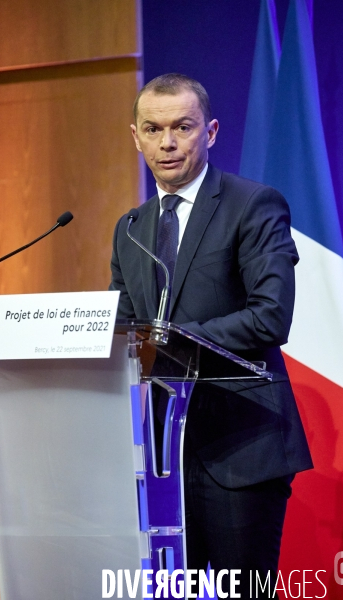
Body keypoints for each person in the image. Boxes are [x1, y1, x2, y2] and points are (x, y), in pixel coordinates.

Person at [110, 73, 312, 598]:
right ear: (135, 136)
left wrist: (171, 337)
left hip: (239, 451)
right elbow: (125, 335)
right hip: (158, 460)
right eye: (153, 129)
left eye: (183, 126)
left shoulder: (254, 204)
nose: (167, 142)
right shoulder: (130, 227)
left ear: (212, 131)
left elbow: (270, 317)